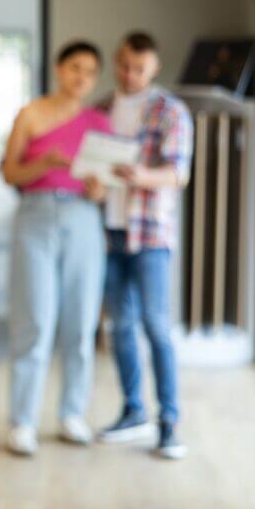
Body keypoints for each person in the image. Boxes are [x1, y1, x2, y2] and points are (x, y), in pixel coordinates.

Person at [0, 41, 111, 456]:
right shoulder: (30, 115)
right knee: (35, 321)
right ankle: (22, 422)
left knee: (81, 323)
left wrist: (98, 189)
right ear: (59, 69)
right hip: (35, 217)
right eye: (75, 68)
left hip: (83, 219)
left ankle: (72, 414)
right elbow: (9, 172)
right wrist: (44, 165)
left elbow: (101, 185)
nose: (81, 77)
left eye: (90, 71)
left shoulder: (99, 122)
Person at [95, 32, 193, 460]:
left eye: (139, 68)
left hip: (150, 235)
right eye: (124, 66)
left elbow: (178, 173)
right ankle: (134, 411)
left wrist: (139, 176)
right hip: (109, 233)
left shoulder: (171, 111)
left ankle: (168, 422)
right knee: (120, 328)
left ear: (152, 68)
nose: (129, 74)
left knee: (156, 327)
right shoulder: (101, 109)